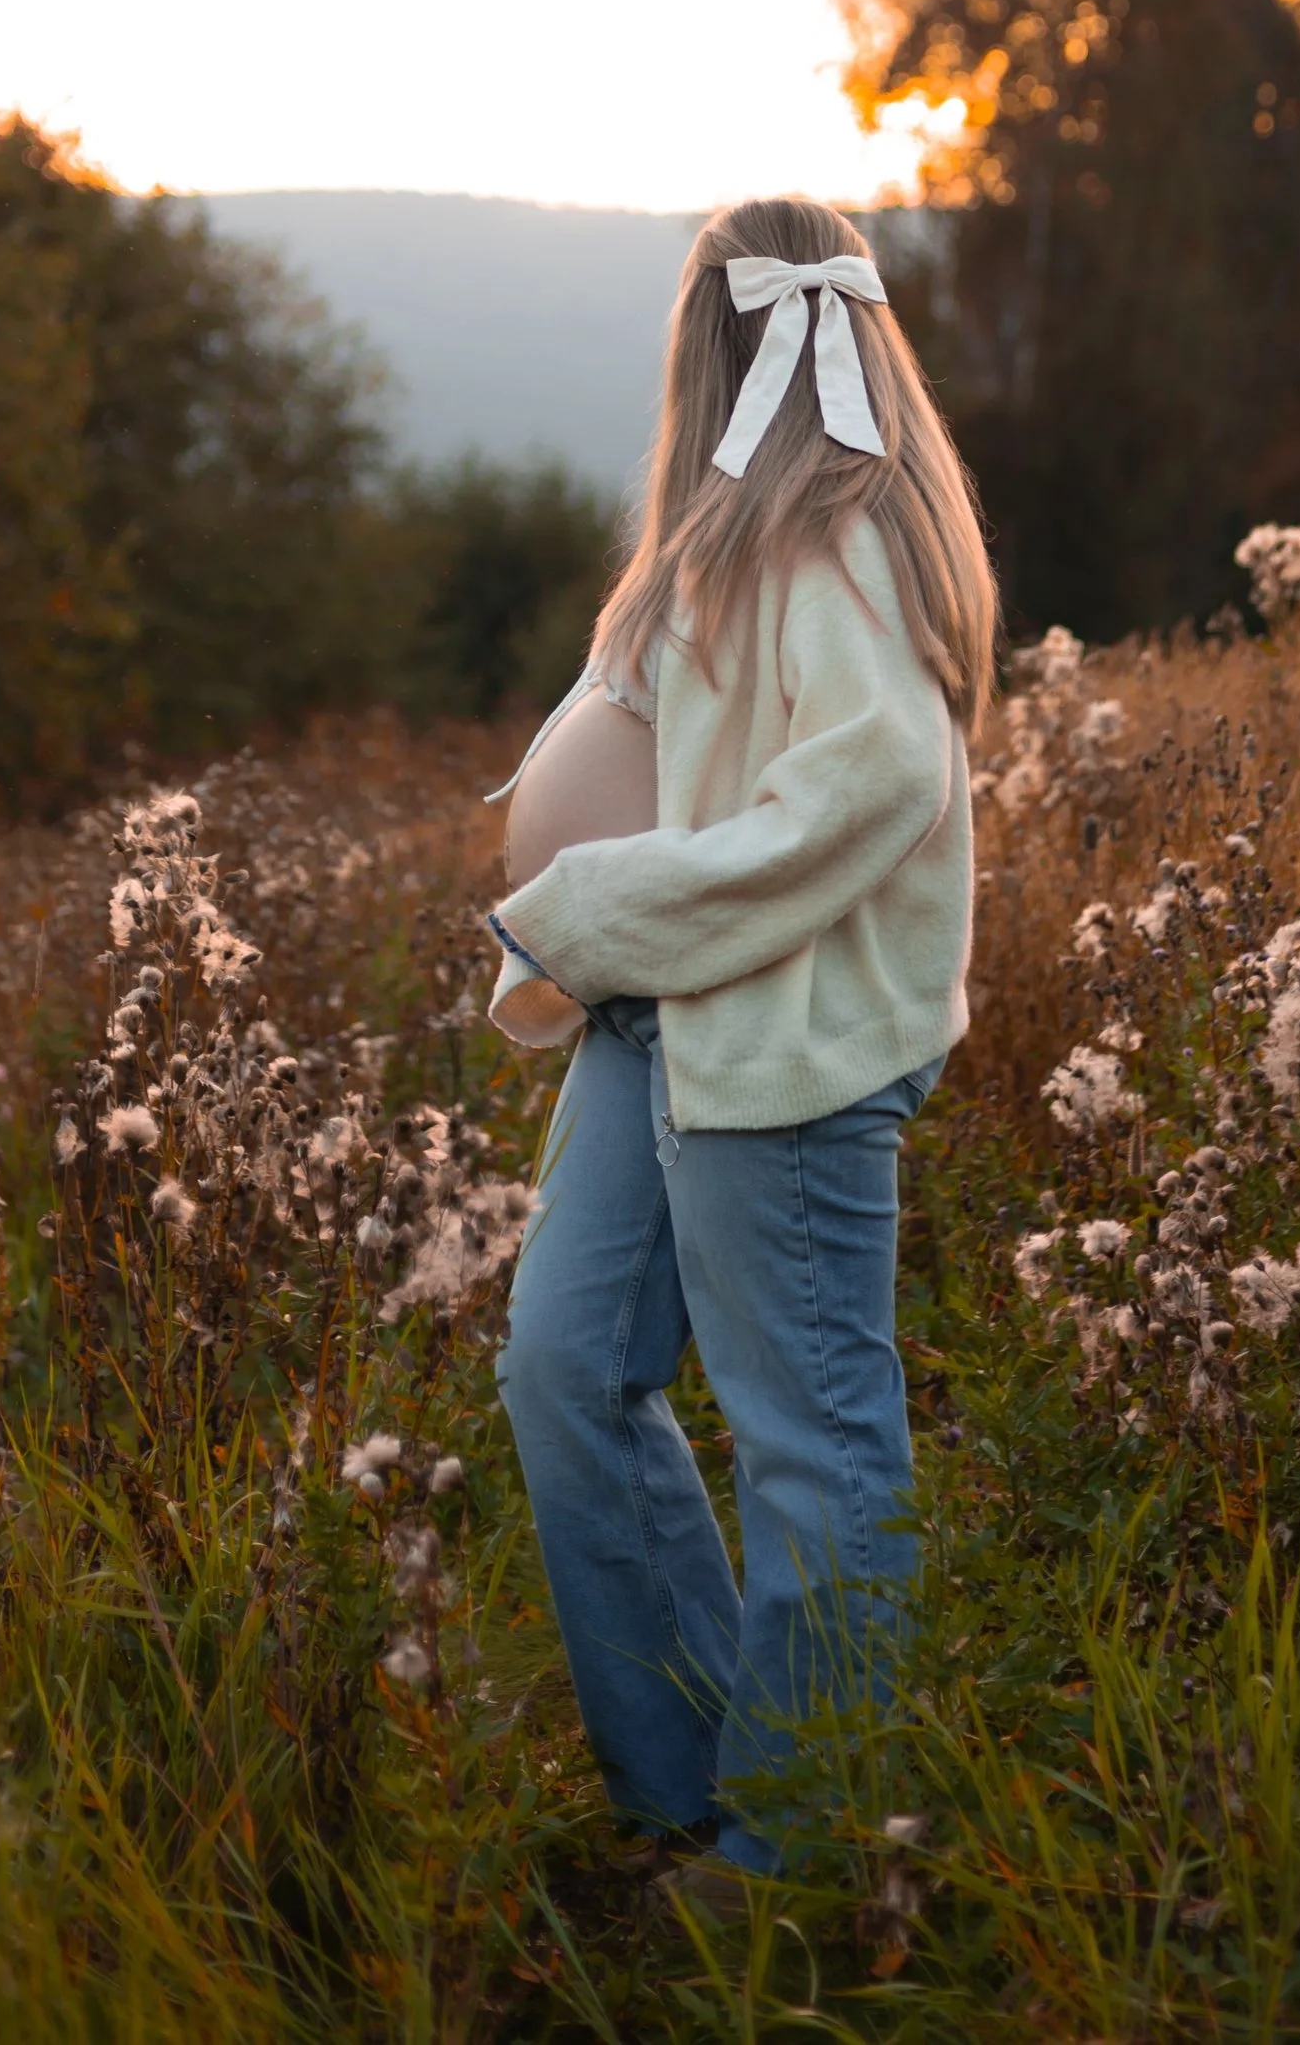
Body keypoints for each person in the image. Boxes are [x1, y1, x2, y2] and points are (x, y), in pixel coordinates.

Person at [485, 193, 996, 1905]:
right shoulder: (713, 529)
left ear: (715, 339)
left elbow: (871, 785)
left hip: (780, 1033)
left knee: (817, 1441)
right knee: (565, 1364)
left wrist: (614, 894)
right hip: (658, 1024)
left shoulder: (842, 527)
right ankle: (697, 1782)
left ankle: (812, 1855)